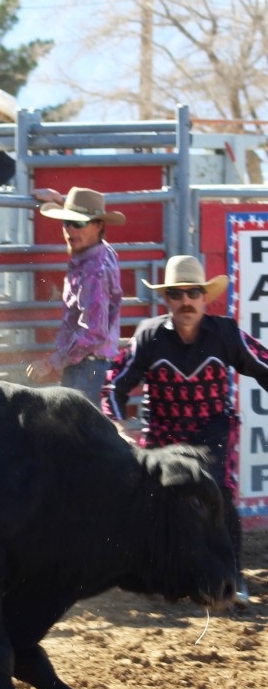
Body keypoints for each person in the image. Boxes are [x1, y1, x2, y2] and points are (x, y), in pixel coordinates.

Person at [102, 255, 268, 607]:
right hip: (164, 434)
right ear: (167, 300)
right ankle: (149, 577)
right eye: (177, 294)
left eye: (193, 292)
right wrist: (116, 426)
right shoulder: (149, 336)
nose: (186, 301)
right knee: (147, 497)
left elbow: (264, 364)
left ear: (204, 297)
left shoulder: (225, 333)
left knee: (217, 493)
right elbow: (114, 384)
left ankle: (233, 575)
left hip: (212, 430)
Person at [26, 186, 125, 405]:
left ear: (98, 225)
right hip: (91, 366)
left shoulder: (94, 272)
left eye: (78, 223)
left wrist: (53, 362)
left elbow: (93, 331)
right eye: (66, 222)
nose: (70, 230)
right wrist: (62, 201)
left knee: (76, 434)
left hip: (86, 369)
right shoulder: (102, 251)